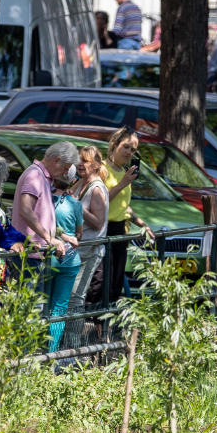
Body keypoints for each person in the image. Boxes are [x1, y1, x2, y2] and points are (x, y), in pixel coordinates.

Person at [64, 146, 111, 351]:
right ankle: (63, 344)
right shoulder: (81, 183)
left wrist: (77, 205)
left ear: (97, 165)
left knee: (76, 296)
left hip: (90, 250)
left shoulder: (97, 188)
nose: (80, 164)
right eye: (79, 160)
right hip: (75, 249)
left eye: (86, 161)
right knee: (68, 296)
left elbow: (98, 223)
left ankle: (73, 348)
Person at [12, 140, 79, 283]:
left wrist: (61, 236)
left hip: (34, 254)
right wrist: (49, 239)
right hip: (28, 256)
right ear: (57, 160)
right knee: (30, 305)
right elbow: (26, 210)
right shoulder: (35, 175)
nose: (66, 172)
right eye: (66, 168)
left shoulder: (42, 176)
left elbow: (41, 215)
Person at [99, 127, 143, 302]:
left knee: (116, 283)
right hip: (104, 229)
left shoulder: (125, 172)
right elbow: (100, 203)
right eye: (126, 147)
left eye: (133, 150)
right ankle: (97, 323)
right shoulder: (101, 169)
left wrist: (142, 224)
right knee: (103, 282)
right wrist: (123, 183)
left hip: (120, 231)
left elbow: (124, 206)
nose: (129, 152)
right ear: (115, 144)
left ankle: (111, 325)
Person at [44, 181, 84, 352]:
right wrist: (68, 236)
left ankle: (35, 350)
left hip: (48, 260)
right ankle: (51, 352)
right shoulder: (75, 204)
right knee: (59, 308)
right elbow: (79, 232)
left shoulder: (44, 200)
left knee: (42, 305)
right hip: (70, 261)